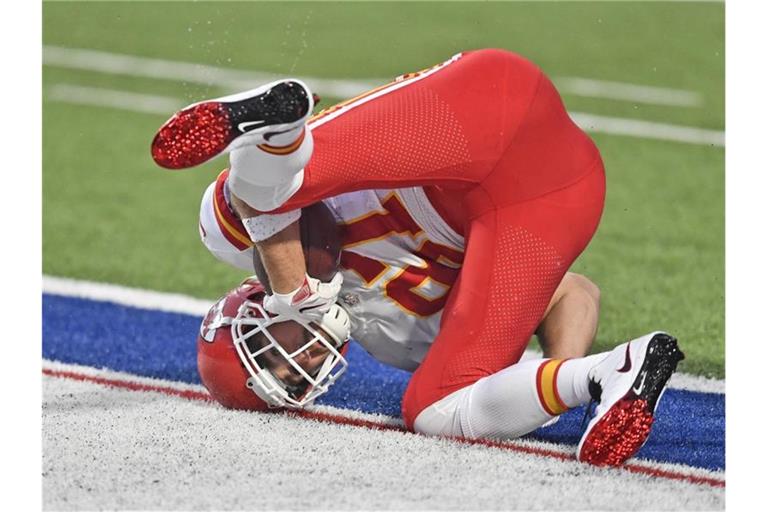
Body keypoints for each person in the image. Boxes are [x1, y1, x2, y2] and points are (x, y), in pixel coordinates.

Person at [152, 48, 684, 466]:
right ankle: (616, 371)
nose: (300, 366)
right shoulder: (396, 341)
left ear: (250, 315)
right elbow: (573, 291)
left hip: (472, 119)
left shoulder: (258, 246)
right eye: (291, 385)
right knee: (433, 410)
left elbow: (254, 203)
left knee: (234, 219)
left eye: (268, 357)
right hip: (549, 194)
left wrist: (294, 293)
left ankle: (277, 129)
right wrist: (554, 378)